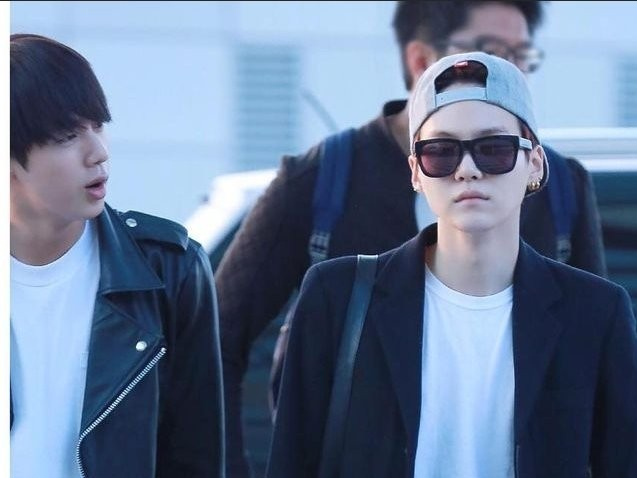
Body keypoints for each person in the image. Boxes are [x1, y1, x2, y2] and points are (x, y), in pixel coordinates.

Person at [215, 2, 606, 475]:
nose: (510, 70)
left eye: (521, 54)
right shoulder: (322, 178)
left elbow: (594, 360)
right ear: (421, 60)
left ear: (532, 163)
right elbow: (214, 343)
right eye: (491, 50)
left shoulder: (561, 184)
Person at [10, 33, 225, 478]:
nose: (99, 153)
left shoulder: (168, 269)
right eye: (68, 136)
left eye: (98, 126)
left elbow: (195, 458)